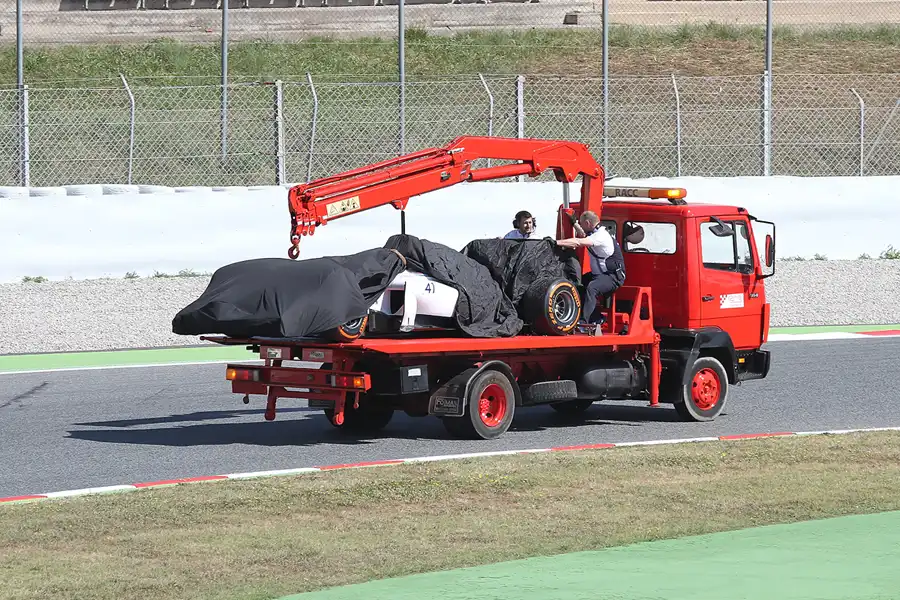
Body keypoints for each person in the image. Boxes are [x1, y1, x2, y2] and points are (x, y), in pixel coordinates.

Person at [555, 210, 626, 325]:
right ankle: (597, 317)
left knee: (592, 288)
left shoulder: (601, 235)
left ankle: (584, 322)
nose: (581, 226)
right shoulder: (594, 232)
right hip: (599, 275)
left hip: (613, 276)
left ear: (588, 223)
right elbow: (583, 234)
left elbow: (578, 242)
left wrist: (556, 242)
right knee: (575, 284)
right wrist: (574, 223)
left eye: (582, 223)